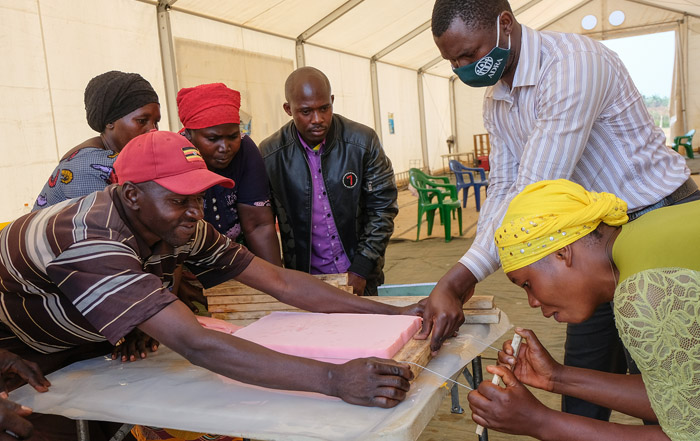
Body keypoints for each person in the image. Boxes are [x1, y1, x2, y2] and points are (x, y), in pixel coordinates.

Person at [0, 130, 421, 437]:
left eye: (198, 197)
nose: (195, 213)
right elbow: (196, 343)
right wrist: (334, 380)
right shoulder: (91, 238)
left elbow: (279, 281)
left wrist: (397, 314)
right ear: (131, 196)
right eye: (180, 200)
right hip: (15, 348)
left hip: (65, 343)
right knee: (34, 428)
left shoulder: (177, 222)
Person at [419, 0, 699, 421]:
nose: (462, 68)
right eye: (451, 61)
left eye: (468, 55)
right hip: (591, 240)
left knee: (664, 391)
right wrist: (459, 277)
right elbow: (504, 190)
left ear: (506, 25)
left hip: (649, 223)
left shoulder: (572, 65)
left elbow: (534, 194)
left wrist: (460, 280)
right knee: (582, 374)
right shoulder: (498, 100)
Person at [467, 179, 700, 441]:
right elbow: (680, 396)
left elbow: (688, 435)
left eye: (528, 284)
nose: (532, 301)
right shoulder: (648, 233)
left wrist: (539, 422)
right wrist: (556, 377)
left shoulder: (641, 293)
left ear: (562, 254)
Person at [260, 67, 398, 296]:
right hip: (304, 283)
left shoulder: (362, 142)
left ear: (332, 101)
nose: (318, 119)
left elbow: (382, 209)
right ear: (288, 109)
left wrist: (362, 268)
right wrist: (279, 279)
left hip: (360, 277)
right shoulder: (270, 154)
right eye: (306, 112)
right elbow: (262, 224)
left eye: (324, 108)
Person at [177, 83, 281, 265]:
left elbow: (258, 225)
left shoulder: (246, 150)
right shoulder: (175, 156)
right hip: (187, 266)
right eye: (213, 139)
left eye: (233, 136)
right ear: (189, 134)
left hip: (239, 261)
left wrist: (278, 283)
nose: (225, 148)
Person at [33, 70, 160, 211]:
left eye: (156, 122)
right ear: (110, 121)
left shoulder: (117, 158)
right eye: (142, 121)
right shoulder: (86, 169)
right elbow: (108, 227)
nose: (153, 130)